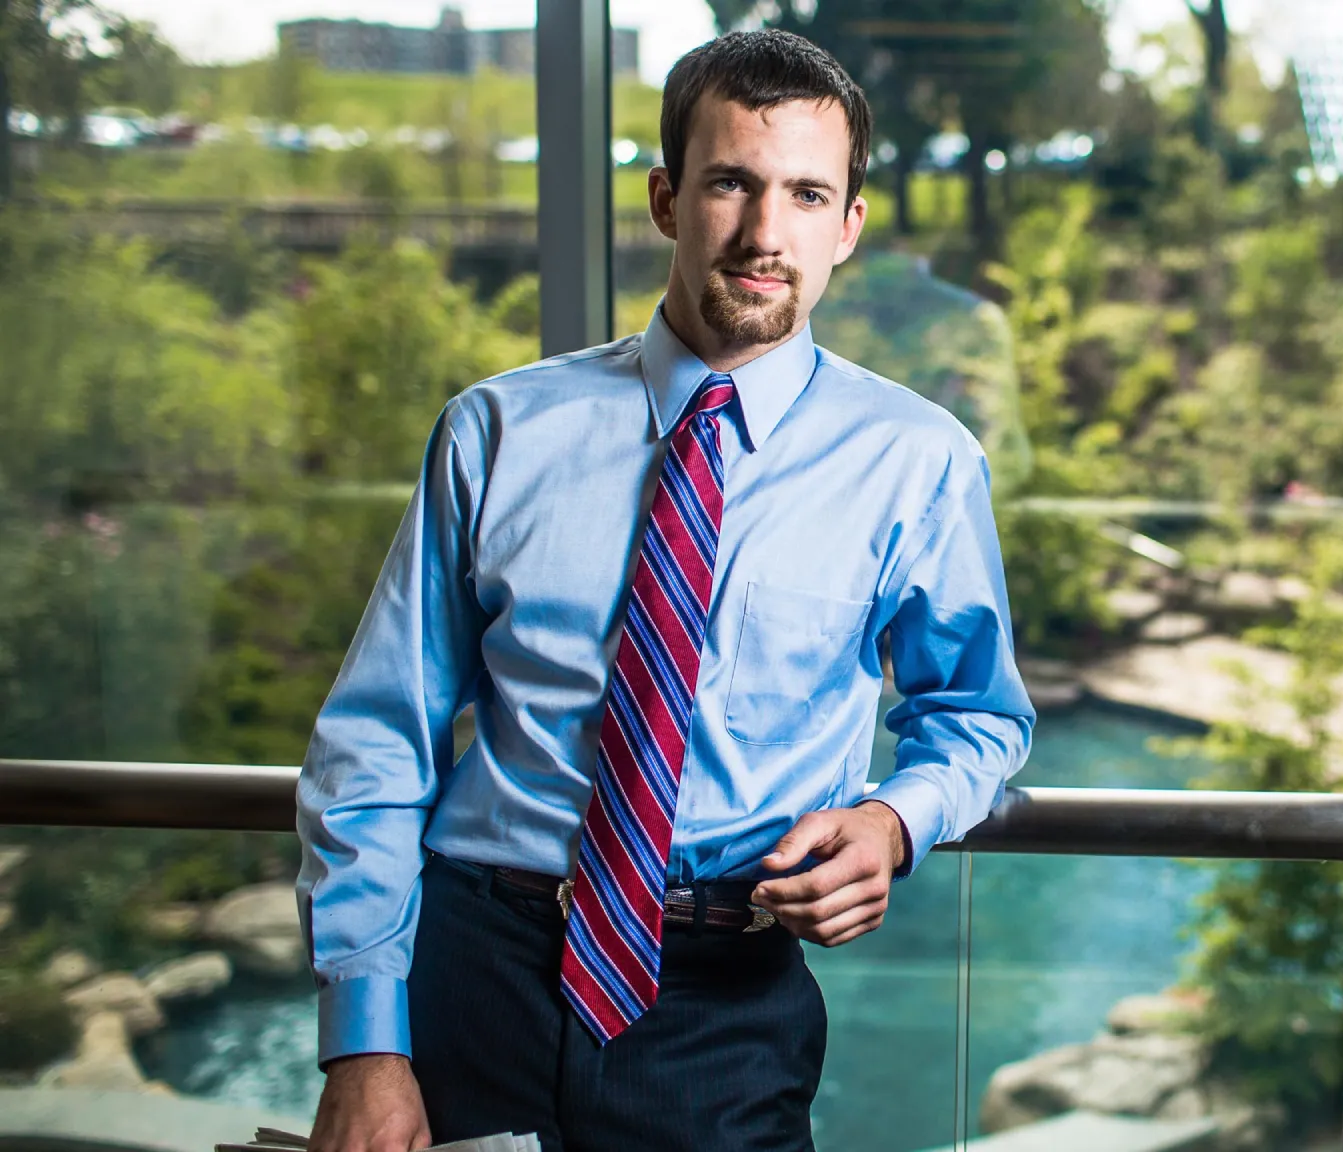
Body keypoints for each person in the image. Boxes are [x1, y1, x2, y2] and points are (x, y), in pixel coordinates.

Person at [295, 29, 1034, 1152]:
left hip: (725, 1004)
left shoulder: (918, 462)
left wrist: (893, 821)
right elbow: (378, 741)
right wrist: (364, 1042)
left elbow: (978, 717)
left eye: (804, 194)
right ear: (664, 200)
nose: (761, 233)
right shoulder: (495, 433)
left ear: (847, 228)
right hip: (474, 977)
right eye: (729, 182)